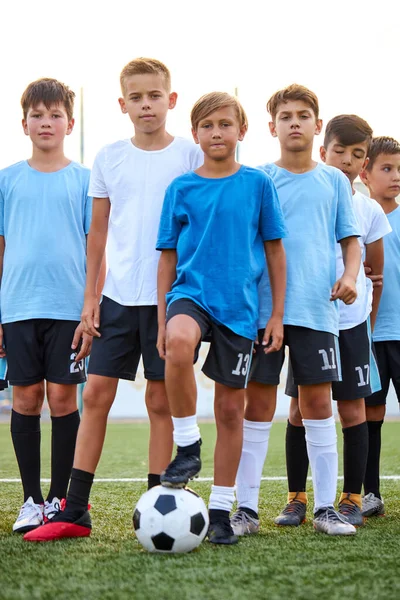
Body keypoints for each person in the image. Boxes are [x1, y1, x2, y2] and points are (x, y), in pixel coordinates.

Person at [24, 57, 203, 542]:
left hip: (171, 298)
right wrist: (90, 300)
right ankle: (74, 511)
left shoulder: (190, 155)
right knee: (96, 394)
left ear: (171, 99)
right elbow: (97, 234)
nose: (147, 105)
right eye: (137, 97)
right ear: (122, 104)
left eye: (155, 96)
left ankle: (156, 504)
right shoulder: (108, 157)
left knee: (159, 399)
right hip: (116, 297)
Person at [156, 91, 287, 544]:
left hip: (240, 307)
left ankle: (218, 511)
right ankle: (188, 443)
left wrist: (277, 315)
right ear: (196, 134)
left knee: (231, 409)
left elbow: (274, 251)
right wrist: (161, 318)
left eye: (225, 124)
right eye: (207, 126)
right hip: (191, 295)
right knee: (177, 341)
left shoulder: (257, 184)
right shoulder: (181, 188)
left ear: (241, 132)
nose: (216, 132)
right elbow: (167, 259)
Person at [231, 86, 361, 537]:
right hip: (264, 312)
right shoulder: (257, 179)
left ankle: (325, 508)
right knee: (259, 404)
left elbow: (351, 240)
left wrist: (350, 275)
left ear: (316, 125)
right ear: (272, 127)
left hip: (316, 308)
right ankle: (245, 509)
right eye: (285, 116)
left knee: (317, 404)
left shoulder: (334, 182)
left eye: (303, 115)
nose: (294, 122)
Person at [270, 116, 391, 529]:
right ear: (323, 151)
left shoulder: (369, 209)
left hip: (351, 324)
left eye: (358, 155)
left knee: (352, 410)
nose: (347, 160)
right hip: (306, 317)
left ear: (364, 163)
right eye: (340, 151)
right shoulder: (311, 190)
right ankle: (296, 498)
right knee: (300, 411)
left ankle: (351, 498)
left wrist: (364, 318)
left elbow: (373, 267)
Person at [0, 78, 94, 533]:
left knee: (61, 398)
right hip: (17, 307)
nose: (46, 122)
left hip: (68, 309)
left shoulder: (85, 181)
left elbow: (96, 251)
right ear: (24, 124)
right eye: (37, 115)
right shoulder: (7, 180)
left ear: (69, 124)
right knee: (26, 397)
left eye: (55, 115)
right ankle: (31, 500)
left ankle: (60, 498)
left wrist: (90, 310)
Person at [360, 136, 400, 517]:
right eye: (387, 168)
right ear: (366, 172)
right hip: (370, 336)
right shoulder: (359, 218)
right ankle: (369, 493)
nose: (395, 176)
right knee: (370, 415)